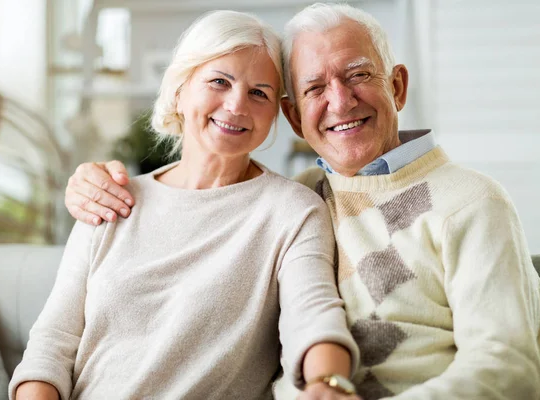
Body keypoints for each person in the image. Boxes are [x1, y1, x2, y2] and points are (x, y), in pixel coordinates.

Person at [64, 2, 540, 400]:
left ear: (396, 86)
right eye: (314, 88)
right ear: (293, 117)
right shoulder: (302, 198)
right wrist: (90, 181)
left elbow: (508, 368)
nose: (340, 100)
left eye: (357, 74)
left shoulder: (473, 201)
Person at [10, 10, 362, 400]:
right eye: (219, 81)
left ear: (275, 113)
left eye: (259, 93)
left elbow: (312, 316)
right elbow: (51, 345)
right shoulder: (109, 197)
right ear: (179, 90)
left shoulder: (292, 210)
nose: (236, 105)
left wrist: (327, 383)